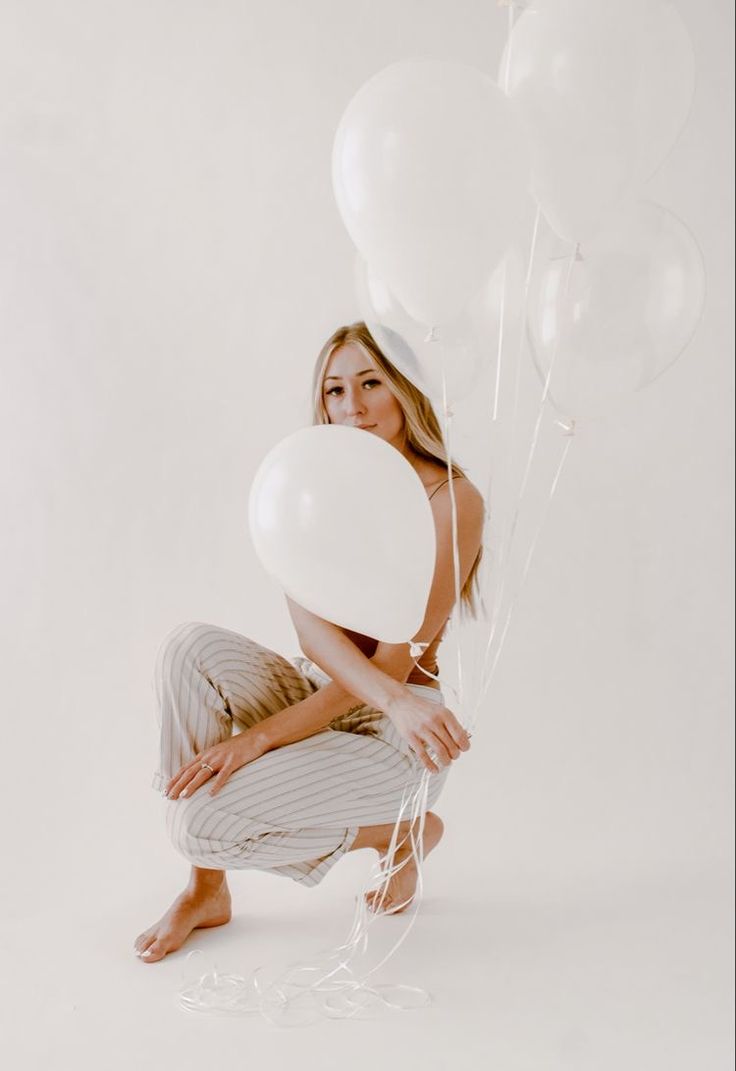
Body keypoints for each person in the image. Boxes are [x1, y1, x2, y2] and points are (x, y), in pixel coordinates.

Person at [134, 322, 485, 963]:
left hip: (398, 731)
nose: (352, 406)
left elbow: (391, 665)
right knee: (187, 648)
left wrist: (260, 738)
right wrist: (253, 739)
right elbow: (312, 638)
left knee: (199, 827)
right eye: (334, 390)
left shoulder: (451, 498)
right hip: (325, 688)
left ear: (404, 389)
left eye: (371, 383)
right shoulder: (314, 487)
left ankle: (399, 832)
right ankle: (206, 891)